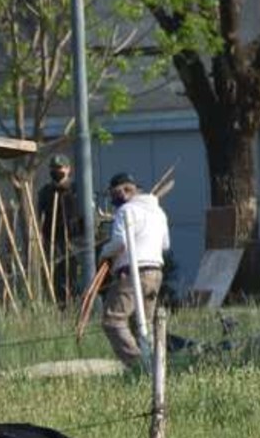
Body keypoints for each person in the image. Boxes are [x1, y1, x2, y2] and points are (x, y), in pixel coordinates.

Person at [98, 172, 170, 368]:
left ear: (125, 191)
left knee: (112, 320)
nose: (115, 199)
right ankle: (155, 369)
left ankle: (139, 366)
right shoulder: (159, 212)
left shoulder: (125, 211)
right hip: (156, 271)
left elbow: (120, 243)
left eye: (115, 194)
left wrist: (104, 253)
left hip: (133, 272)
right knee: (143, 326)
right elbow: (165, 245)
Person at [36, 154, 86, 303]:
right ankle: (61, 307)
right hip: (54, 242)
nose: (56, 171)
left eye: (59, 168)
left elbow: (87, 216)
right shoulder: (45, 192)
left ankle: (78, 307)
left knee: (76, 278)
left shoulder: (78, 190)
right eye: (53, 168)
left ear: (68, 169)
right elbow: (40, 217)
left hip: (76, 241)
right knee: (57, 278)